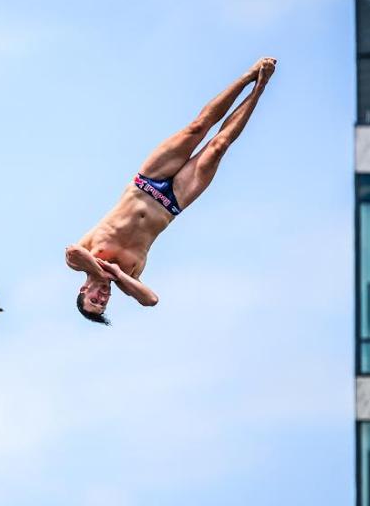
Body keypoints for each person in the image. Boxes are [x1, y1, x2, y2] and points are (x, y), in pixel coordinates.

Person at [66, 57, 277, 324]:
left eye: (94, 299)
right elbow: (150, 300)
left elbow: (72, 252)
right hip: (172, 201)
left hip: (146, 184)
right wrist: (118, 276)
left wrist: (99, 270)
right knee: (219, 146)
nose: (103, 297)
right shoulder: (128, 276)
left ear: (83, 289)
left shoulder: (80, 262)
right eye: (104, 303)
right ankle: (260, 87)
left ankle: (248, 76)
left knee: (198, 128)